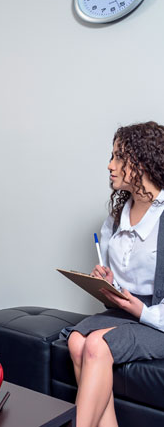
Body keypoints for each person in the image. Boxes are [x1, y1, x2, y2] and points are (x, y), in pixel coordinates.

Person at [67, 121, 164, 427]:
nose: (110, 165)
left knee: (97, 345)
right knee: (77, 341)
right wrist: (107, 282)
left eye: (119, 158)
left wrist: (141, 310)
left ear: (143, 162)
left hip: (158, 318)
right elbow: (122, 281)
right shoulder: (115, 218)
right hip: (126, 312)